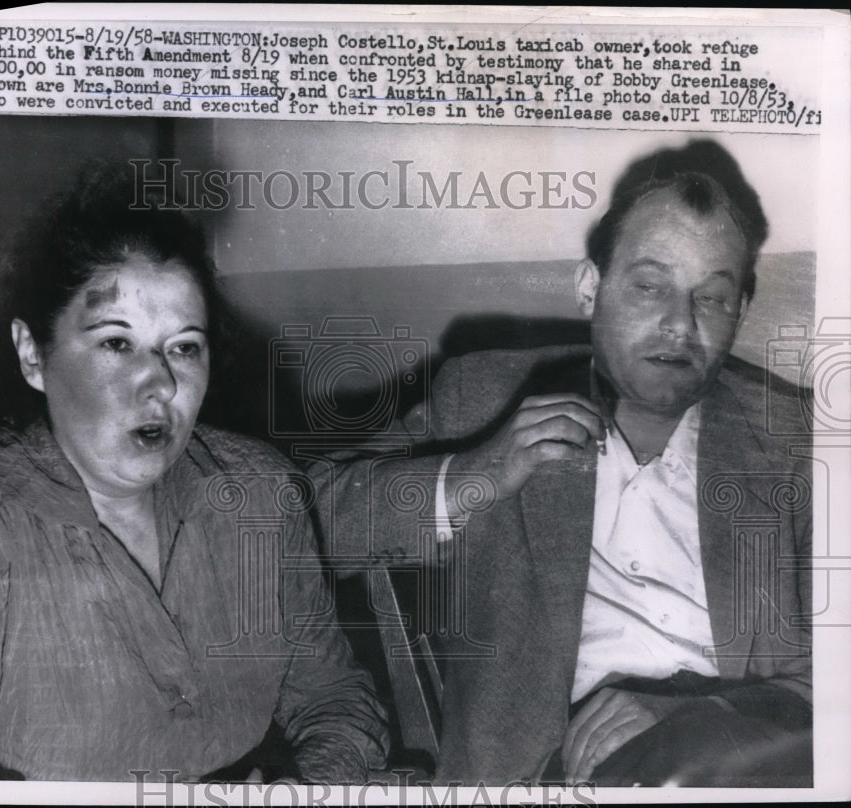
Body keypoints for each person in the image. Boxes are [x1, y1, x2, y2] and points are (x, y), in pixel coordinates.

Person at [310, 140, 811, 786]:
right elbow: (307, 522)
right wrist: (473, 476)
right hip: (546, 775)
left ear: (740, 312)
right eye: (649, 287)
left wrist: (695, 715)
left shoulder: (795, 440)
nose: (679, 325)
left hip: (747, 760)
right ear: (589, 289)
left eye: (711, 299)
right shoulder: (486, 397)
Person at [0, 164, 388, 782]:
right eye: (117, 343)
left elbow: (336, 702)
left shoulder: (260, 496)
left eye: (184, 347)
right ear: (33, 355)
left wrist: (303, 792)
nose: (162, 383)